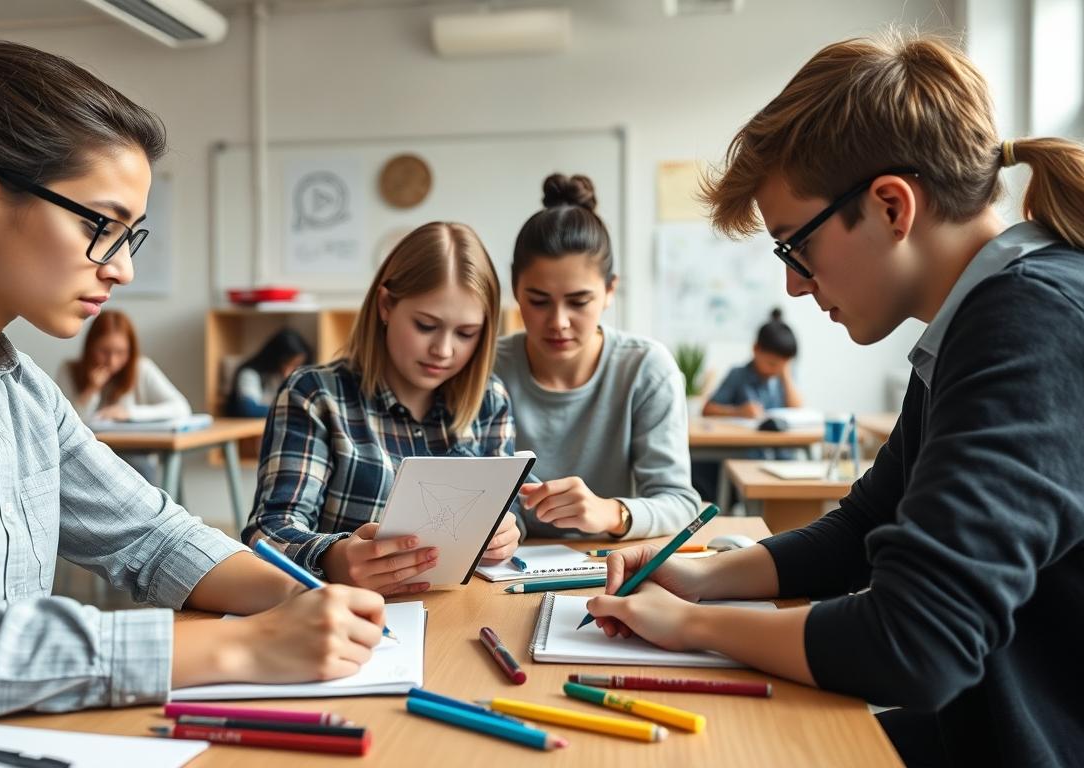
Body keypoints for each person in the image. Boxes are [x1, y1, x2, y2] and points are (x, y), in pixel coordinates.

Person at [0, 22, 385, 763]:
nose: (121, 269)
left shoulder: (19, 389)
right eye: (102, 226)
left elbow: (152, 534)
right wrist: (245, 649)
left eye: (129, 237)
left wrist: (301, 599)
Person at [586, 33, 1084, 768]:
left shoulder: (1035, 326)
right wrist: (702, 573)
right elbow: (864, 529)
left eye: (795, 247)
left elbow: (914, 643)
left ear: (889, 206)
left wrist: (690, 626)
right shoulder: (978, 318)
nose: (793, 286)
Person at [243, 222, 521, 595]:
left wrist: (505, 531)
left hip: (459, 610)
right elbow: (267, 532)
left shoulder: (490, 399)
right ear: (386, 305)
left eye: (466, 333)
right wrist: (333, 557)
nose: (443, 350)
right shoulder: (315, 394)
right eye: (426, 325)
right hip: (347, 617)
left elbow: (508, 513)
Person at [493, 173, 702, 539]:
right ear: (515, 289)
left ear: (609, 291)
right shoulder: (488, 368)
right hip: (507, 568)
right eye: (539, 301)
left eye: (579, 301)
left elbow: (680, 503)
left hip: (609, 562)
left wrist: (612, 512)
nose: (558, 322)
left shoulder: (645, 369)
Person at [56, 309, 191, 424]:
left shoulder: (141, 368)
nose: (112, 361)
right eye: (104, 351)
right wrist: (92, 390)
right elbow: (67, 424)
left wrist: (129, 413)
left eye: (120, 352)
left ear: (130, 351)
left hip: (134, 451)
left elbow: (181, 408)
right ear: (90, 347)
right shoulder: (68, 370)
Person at [702, 308, 804, 418]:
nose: (776, 370)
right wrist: (738, 412)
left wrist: (786, 375)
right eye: (772, 364)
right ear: (755, 349)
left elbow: (797, 410)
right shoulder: (738, 375)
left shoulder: (784, 374)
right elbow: (707, 409)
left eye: (783, 365)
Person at [224, 328, 313, 418]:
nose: (288, 372)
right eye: (285, 363)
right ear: (273, 358)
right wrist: (293, 411)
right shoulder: (250, 373)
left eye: (295, 365)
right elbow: (249, 409)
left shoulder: (298, 377)